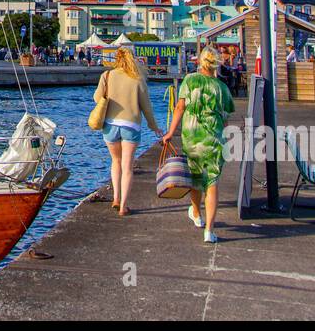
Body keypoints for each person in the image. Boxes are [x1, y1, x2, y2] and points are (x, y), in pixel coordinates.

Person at [162, 46, 234, 243]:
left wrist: (170, 132)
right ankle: (209, 230)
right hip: (214, 139)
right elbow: (225, 118)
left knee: (195, 178)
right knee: (212, 182)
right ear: (217, 64)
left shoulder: (190, 80)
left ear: (201, 62)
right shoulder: (222, 88)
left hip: (192, 137)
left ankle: (196, 213)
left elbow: (180, 107)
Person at [92, 46, 161, 216]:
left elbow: (96, 98)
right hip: (131, 125)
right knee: (127, 166)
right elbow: (146, 107)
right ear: (133, 59)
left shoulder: (107, 75)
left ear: (117, 59)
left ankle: (115, 198)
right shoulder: (138, 79)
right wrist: (154, 126)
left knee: (115, 161)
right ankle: (123, 206)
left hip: (110, 124)